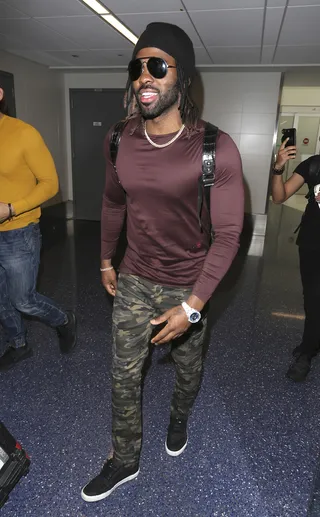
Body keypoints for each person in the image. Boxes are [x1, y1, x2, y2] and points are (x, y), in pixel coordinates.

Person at [81, 22, 244, 503]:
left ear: (183, 77)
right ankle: (125, 460)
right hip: (134, 276)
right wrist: (106, 261)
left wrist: (193, 305)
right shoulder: (118, 139)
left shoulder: (215, 148)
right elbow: (112, 203)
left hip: (189, 284)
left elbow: (230, 234)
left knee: (187, 369)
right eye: (137, 67)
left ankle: (179, 416)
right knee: (123, 374)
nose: (144, 78)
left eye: (157, 66)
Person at [0, 87, 77, 371]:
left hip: (18, 231)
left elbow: (50, 183)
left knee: (22, 300)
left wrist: (11, 207)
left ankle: (64, 319)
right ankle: (18, 344)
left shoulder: (23, 133)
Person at [271, 137, 320, 382]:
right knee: (312, 298)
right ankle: (308, 348)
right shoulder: (313, 166)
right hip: (313, 243)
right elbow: (279, 197)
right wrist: (279, 166)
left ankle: (308, 348)